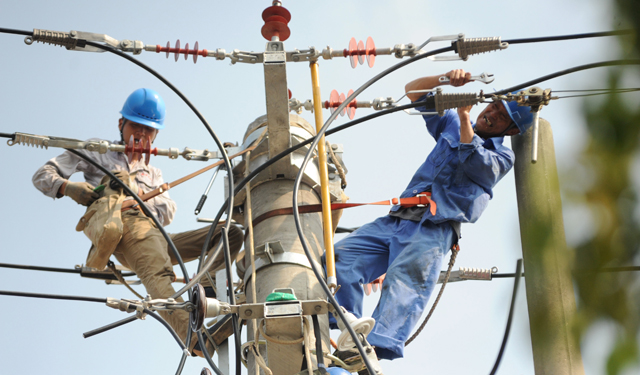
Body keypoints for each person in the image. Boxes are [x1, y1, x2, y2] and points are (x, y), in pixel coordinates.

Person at [331, 69, 535, 361]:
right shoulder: (451, 125)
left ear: (512, 131)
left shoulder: (501, 158)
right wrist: (445, 80)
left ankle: (369, 353)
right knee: (340, 261)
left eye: (501, 116)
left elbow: (473, 158)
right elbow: (414, 92)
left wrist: (465, 118)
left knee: (404, 285)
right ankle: (347, 331)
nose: (490, 113)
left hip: (432, 230)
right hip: (398, 218)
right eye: (493, 106)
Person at [32, 88, 243, 356]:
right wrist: (66, 187)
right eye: (135, 126)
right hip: (122, 226)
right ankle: (194, 339)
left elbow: (168, 212)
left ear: (156, 134)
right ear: (121, 124)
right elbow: (42, 174)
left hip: (153, 234)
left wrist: (142, 196)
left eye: (149, 130)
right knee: (158, 275)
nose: (141, 134)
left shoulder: (152, 172)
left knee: (229, 233)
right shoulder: (99, 151)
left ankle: (210, 287)